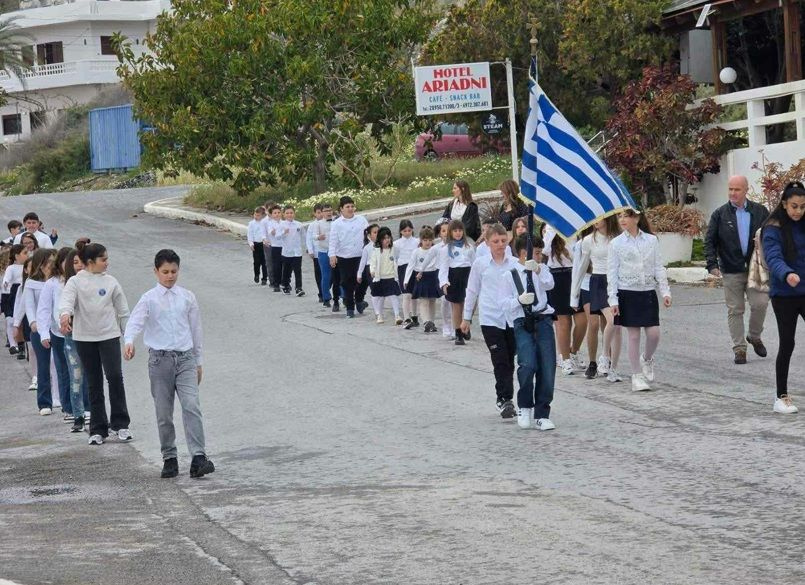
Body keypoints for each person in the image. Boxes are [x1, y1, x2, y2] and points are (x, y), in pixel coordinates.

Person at [124, 249, 215, 479]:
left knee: (191, 405)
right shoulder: (148, 299)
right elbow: (135, 321)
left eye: (174, 271)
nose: (170, 276)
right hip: (160, 360)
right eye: (165, 272)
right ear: (156, 271)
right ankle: (170, 457)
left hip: (185, 359)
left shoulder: (187, 297)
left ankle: (198, 457)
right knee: (164, 412)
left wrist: (198, 361)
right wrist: (129, 341)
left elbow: (196, 330)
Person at [59, 243, 132, 446]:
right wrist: (65, 315)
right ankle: (98, 429)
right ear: (90, 262)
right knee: (94, 382)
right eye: (103, 259)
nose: (107, 263)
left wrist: (129, 338)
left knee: (115, 377)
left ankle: (120, 424)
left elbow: (123, 311)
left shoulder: (111, 282)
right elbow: (66, 301)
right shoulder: (75, 282)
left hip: (109, 336)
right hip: (84, 338)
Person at [704, 175, 770, 364]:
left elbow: (772, 236)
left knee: (760, 303)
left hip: (755, 269)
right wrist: (712, 264)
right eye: (730, 189)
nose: (733, 193)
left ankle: (754, 336)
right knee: (735, 310)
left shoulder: (760, 212)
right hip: (731, 269)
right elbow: (710, 241)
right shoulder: (720, 214)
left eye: (737, 189)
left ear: (746, 190)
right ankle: (739, 348)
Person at [608, 209, 672, 392]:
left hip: (647, 291)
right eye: (619, 216)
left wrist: (665, 292)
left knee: (654, 333)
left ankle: (647, 359)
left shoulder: (651, 240)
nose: (622, 220)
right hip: (627, 292)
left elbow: (659, 266)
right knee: (633, 335)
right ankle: (636, 376)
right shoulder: (616, 244)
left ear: (636, 218)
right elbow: (612, 273)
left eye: (626, 216)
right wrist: (613, 300)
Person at [460, 223, 517, 417]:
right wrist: (466, 317)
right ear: (487, 242)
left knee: (510, 360)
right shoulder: (481, 264)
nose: (500, 244)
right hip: (490, 318)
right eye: (495, 241)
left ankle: (507, 395)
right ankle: (504, 398)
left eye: (503, 241)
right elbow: (472, 290)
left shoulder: (515, 263)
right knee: (499, 359)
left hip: (511, 318)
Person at [501, 233, 556, 430]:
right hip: (522, 321)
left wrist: (539, 270)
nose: (540, 256)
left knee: (547, 366)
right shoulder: (510, 274)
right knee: (527, 363)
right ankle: (525, 405)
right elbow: (504, 303)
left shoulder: (542, 270)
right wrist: (519, 300)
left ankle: (542, 412)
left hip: (543, 319)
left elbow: (550, 284)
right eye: (538, 253)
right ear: (524, 253)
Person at [761, 181, 805, 414]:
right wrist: (787, 274)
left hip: (804, 290)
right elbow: (774, 257)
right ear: (784, 204)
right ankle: (781, 397)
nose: (798, 211)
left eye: (803, 207)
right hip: (785, 294)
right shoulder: (773, 227)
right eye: (794, 206)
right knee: (787, 343)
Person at [571, 217, 622, 381]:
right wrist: (574, 295)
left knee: (610, 323)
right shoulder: (587, 240)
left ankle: (609, 362)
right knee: (593, 323)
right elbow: (581, 267)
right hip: (594, 282)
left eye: (600, 217)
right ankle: (594, 362)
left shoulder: (617, 237)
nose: (596, 221)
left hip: (613, 282)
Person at [37, 247, 74, 423]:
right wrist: (44, 333)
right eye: (66, 261)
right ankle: (68, 407)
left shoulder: (78, 280)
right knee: (64, 370)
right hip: (58, 334)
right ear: (59, 263)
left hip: (79, 333)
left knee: (81, 371)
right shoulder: (52, 283)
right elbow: (44, 310)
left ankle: (84, 406)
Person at [21, 248, 57, 415]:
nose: (51, 265)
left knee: (59, 364)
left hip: (57, 328)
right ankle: (44, 402)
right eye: (49, 261)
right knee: (43, 366)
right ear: (41, 264)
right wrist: (33, 322)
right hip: (39, 329)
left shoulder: (58, 281)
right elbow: (28, 305)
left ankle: (61, 398)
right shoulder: (31, 283)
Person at [542, 225, 581, 376]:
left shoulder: (577, 225)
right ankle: (565, 359)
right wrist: (552, 229)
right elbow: (544, 250)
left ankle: (573, 351)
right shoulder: (551, 227)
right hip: (558, 275)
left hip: (576, 274)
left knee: (582, 320)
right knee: (564, 322)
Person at [62, 247, 90, 432]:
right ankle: (78, 416)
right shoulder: (68, 284)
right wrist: (64, 315)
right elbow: (64, 305)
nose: (79, 266)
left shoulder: (97, 283)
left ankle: (96, 412)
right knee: (76, 377)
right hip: (72, 337)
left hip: (93, 336)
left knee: (94, 377)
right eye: (75, 262)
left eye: (82, 262)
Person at [328, 196, 368, 318]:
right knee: (347, 282)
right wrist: (332, 255)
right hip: (344, 257)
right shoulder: (336, 224)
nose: (350, 209)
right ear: (341, 209)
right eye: (347, 207)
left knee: (364, 279)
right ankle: (350, 308)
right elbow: (333, 240)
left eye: (352, 206)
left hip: (360, 255)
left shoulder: (361, 220)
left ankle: (359, 300)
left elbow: (369, 235)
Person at [440, 219, 476, 345]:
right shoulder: (446, 249)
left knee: (469, 304)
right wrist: (444, 282)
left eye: (460, 230)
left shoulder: (469, 247)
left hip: (467, 276)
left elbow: (474, 264)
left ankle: (466, 325)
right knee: (457, 306)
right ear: (450, 232)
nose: (458, 233)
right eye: (455, 231)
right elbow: (443, 268)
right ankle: (458, 333)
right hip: (454, 277)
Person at [404, 226, 440, 333]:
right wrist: (406, 280)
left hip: (433, 276)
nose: (428, 242)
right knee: (423, 301)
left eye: (430, 240)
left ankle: (431, 322)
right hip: (421, 277)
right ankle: (426, 322)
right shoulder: (416, 252)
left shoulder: (435, 250)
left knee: (432, 301)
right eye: (425, 240)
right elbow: (410, 266)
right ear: (420, 240)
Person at [369, 227, 402, 324]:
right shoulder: (376, 251)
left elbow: (398, 258)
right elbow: (373, 262)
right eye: (384, 238)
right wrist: (372, 271)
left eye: (388, 237)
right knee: (378, 297)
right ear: (380, 240)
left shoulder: (394, 249)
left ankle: (397, 315)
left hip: (391, 276)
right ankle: (379, 314)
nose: (387, 240)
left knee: (393, 296)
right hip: (380, 277)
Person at [393, 219, 420, 328]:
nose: (407, 233)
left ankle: (414, 316)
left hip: (414, 268)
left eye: (409, 230)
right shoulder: (396, 244)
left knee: (414, 294)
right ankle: (406, 317)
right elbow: (395, 257)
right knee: (406, 294)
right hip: (403, 268)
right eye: (405, 231)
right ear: (400, 231)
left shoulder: (417, 241)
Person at [2, 244, 27, 357]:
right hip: (13, 293)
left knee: (22, 321)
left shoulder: (28, 266)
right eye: (25, 253)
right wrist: (6, 283)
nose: (27, 255)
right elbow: (7, 279)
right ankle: (16, 346)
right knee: (13, 321)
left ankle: (22, 345)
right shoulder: (11, 268)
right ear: (16, 256)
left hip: (24, 291)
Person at [314, 203, 339, 310]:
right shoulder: (318, 224)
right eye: (326, 211)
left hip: (336, 252)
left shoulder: (337, 221)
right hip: (323, 251)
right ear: (322, 213)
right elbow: (313, 236)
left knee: (339, 275)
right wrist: (318, 237)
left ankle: (343, 296)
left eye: (330, 210)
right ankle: (326, 298)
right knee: (326, 275)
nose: (329, 212)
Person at [278, 205, 305, 296]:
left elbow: (304, 237)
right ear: (284, 215)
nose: (289, 215)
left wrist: (307, 248)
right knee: (286, 270)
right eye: (287, 213)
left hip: (297, 251)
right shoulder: (281, 225)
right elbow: (277, 237)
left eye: (291, 213)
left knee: (298, 270)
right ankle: (285, 285)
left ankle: (299, 288)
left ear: (294, 214)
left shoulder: (299, 225)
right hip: (286, 252)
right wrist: (283, 232)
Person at [433, 219, 454, 338]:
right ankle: (446, 324)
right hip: (440, 274)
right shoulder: (436, 247)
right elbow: (428, 259)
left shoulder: (456, 245)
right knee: (445, 300)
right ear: (440, 233)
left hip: (453, 273)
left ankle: (455, 325)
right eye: (443, 231)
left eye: (448, 230)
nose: (446, 233)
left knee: (454, 301)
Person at [356, 223, 379, 315]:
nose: (378, 234)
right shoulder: (367, 248)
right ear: (369, 235)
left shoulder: (385, 245)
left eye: (379, 232)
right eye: (375, 232)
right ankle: (359, 302)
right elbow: (362, 262)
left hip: (381, 268)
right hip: (369, 269)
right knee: (372, 289)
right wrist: (359, 274)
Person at [263, 204, 284, 292]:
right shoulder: (269, 223)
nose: (277, 214)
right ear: (271, 214)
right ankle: (276, 283)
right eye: (275, 213)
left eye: (279, 212)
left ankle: (285, 282)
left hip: (284, 246)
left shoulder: (284, 223)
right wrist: (282, 232)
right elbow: (273, 233)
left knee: (285, 265)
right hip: (275, 246)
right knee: (276, 265)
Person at [307, 204, 325, 302]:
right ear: (314, 214)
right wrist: (310, 250)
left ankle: (325, 290)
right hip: (317, 253)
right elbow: (309, 239)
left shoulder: (328, 223)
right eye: (318, 212)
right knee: (319, 274)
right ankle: (321, 293)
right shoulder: (312, 225)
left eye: (322, 212)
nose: (321, 214)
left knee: (328, 274)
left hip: (327, 253)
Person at [247, 206, 268, 285]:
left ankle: (264, 278)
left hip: (264, 244)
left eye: (258, 215)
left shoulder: (265, 223)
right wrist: (251, 243)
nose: (256, 217)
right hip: (256, 244)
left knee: (264, 262)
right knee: (256, 262)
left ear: (262, 215)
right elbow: (250, 234)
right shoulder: (251, 224)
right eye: (255, 215)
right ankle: (257, 274)